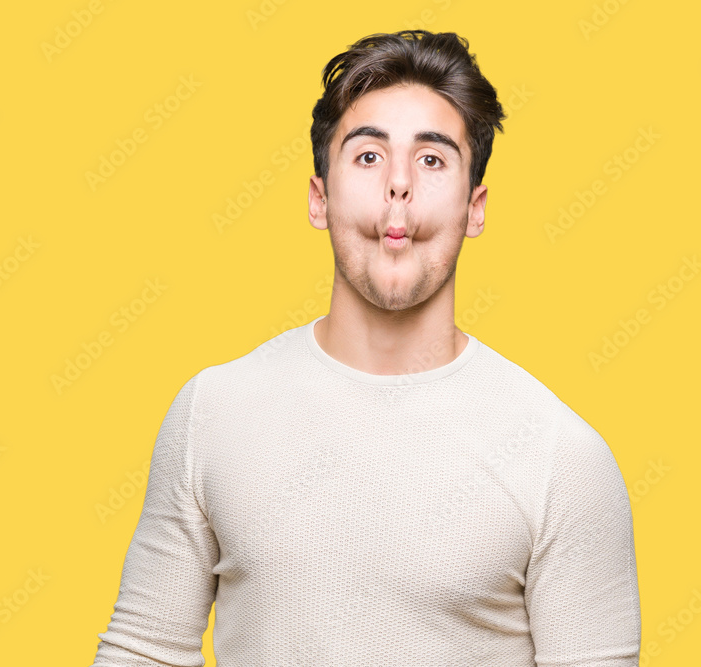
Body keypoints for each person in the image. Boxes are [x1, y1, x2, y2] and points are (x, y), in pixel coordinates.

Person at [90, 29, 641, 666]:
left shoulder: (564, 460)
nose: (399, 184)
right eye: (369, 156)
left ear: (474, 207)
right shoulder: (212, 413)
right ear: (319, 198)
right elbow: (143, 652)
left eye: (433, 159)